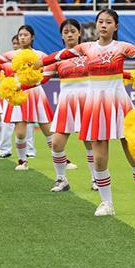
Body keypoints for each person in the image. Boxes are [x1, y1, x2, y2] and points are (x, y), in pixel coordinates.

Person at [38, 9, 135, 216]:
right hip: (95, 106)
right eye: (100, 22)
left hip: (120, 104)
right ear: (95, 25)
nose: (103, 25)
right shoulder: (86, 48)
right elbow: (58, 56)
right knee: (100, 158)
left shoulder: (122, 47)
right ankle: (106, 204)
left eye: (108, 22)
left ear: (116, 26)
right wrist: (35, 64)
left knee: (134, 154)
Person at [0, 25, 54, 171]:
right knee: (21, 132)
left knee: (47, 130)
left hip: (35, 92)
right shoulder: (13, 54)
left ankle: (61, 159)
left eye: (25, 35)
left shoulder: (40, 54)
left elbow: (51, 66)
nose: (22, 37)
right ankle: (22, 161)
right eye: (20, 35)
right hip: (18, 93)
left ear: (32, 37)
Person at [37, 19, 88, 192]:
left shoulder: (89, 53)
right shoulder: (57, 57)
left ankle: (97, 179)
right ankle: (61, 180)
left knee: (91, 143)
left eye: (73, 31)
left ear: (79, 33)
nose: (70, 34)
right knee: (57, 144)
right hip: (66, 103)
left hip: (87, 102)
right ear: (61, 36)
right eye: (66, 32)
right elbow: (42, 79)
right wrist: (19, 85)